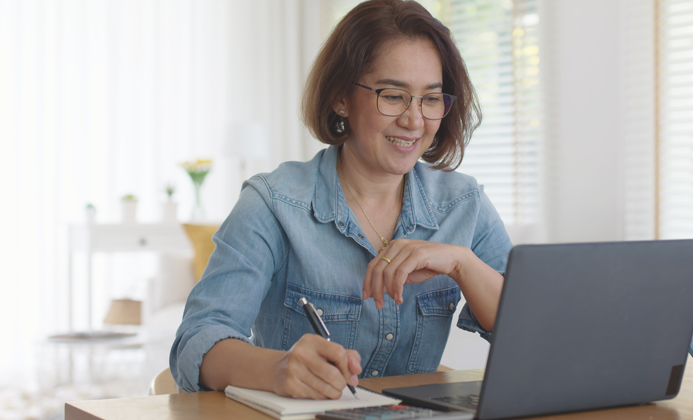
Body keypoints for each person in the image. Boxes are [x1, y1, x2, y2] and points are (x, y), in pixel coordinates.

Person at [169, 0, 512, 398]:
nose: (415, 120)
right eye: (393, 95)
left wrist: (461, 263)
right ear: (340, 98)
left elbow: (535, 333)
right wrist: (278, 369)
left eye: (431, 98)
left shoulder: (463, 203)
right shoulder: (273, 203)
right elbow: (197, 341)